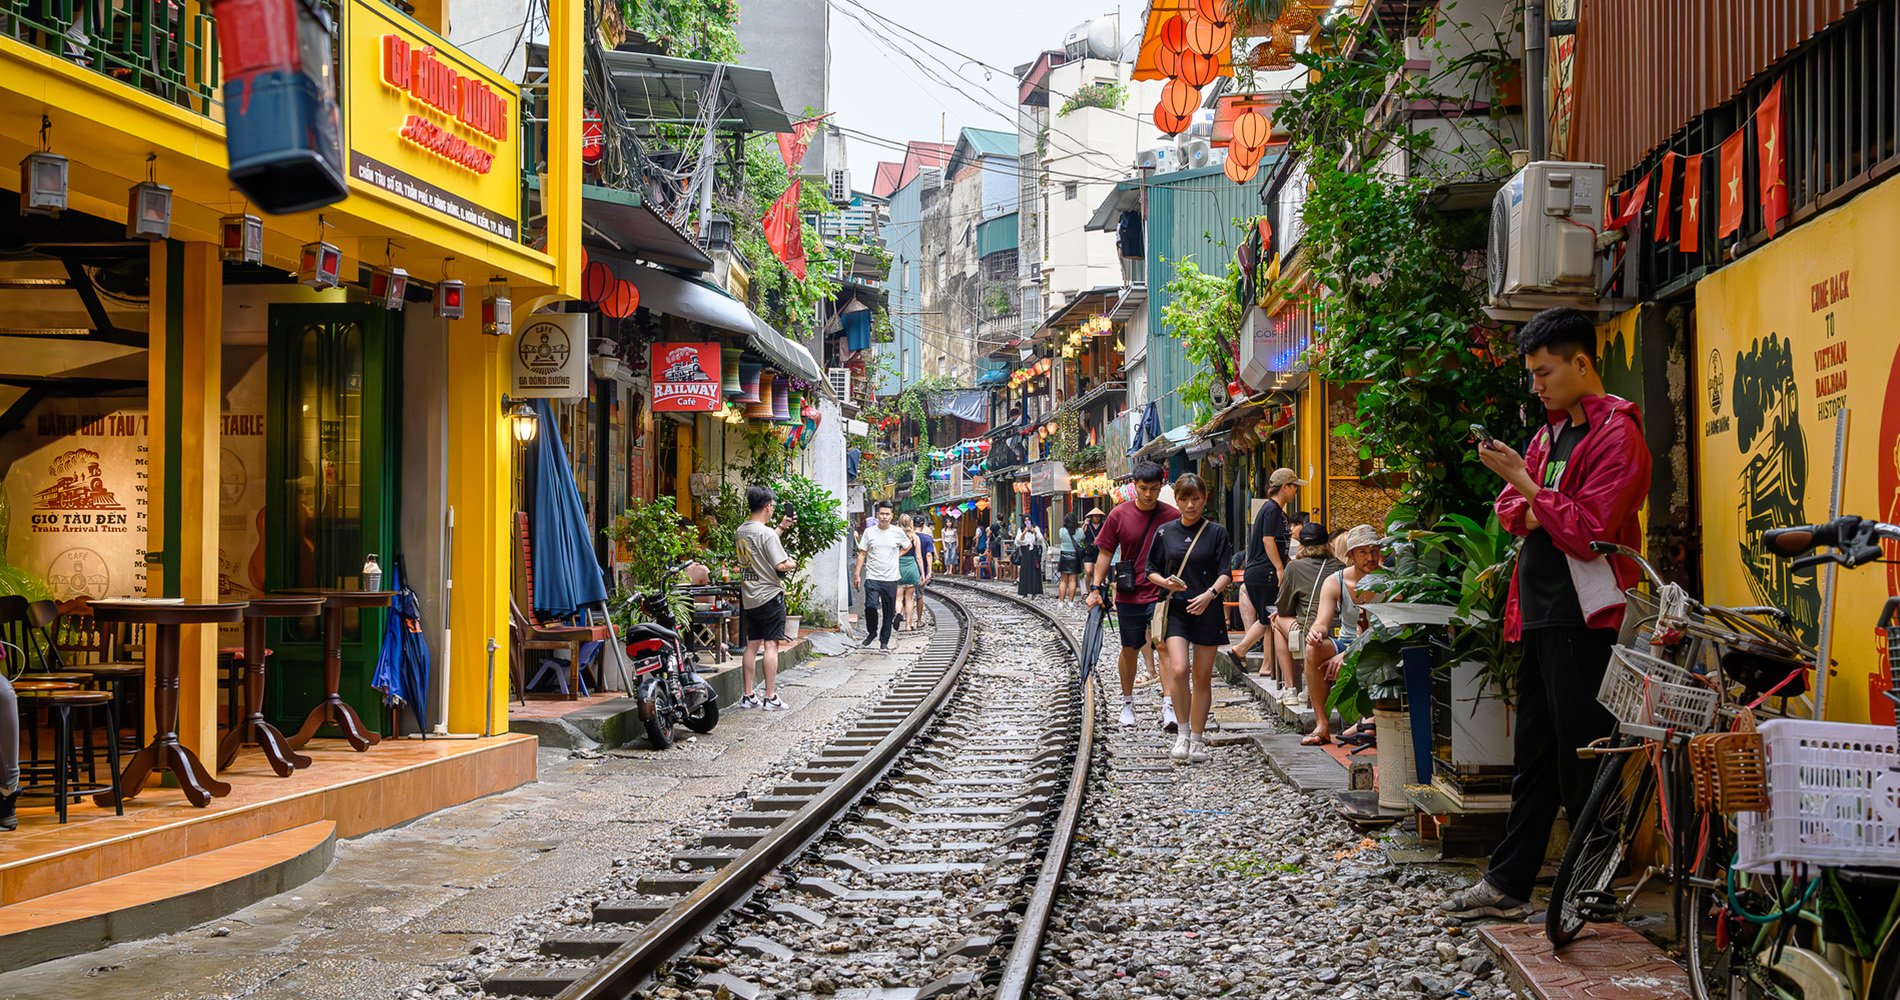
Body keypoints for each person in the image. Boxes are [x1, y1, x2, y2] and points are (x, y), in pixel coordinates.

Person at [1443, 306, 1651, 922]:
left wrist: (1533, 491)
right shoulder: (1551, 432)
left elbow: (1587, 531)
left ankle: (1593, 891)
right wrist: (1535, 498)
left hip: (1584, 617)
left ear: (1581, 362)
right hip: (1537, 612)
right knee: (1533, 754)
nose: (1536, 384)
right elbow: (1512, 511)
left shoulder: (1618, 434)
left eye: (1544, 371)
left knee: (1579, 755)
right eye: (1531, 373)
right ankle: (1510, 883)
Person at [1087, 461, 1182, 730]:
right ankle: (1127, 704)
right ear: (1134, 486)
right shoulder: (1118, 515)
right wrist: (1096, 588)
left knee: (1162, 645)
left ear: (1161, 486)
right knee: (1129, 649)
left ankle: (1169, 706)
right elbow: (1105, 553)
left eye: (1154, 488)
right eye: (1143, 488)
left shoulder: (1172, 516)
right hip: (1129, 593)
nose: (1149, 494)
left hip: (1161, 593)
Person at [1146, 474, 1232, 763]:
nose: (1191, 504)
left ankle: (1197, 740)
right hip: (1178, 609)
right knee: (1180, 669)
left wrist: (1210, 594)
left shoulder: (1216, 532)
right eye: (1184, 499)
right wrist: (1166, 583)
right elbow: (1151, 569)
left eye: (1196, 498)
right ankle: (1182, 734)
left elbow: (1225, 572)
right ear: (1178, 500)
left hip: (1207, 609)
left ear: (1205, 498)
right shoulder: (1164, 531)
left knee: (1202, 676)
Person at [1301, 524, 1385, 745]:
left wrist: (1347, 656)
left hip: (1381, 645)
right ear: (1350, 556)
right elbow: (1321, 623)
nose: (1370, 557)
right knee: (1313, 648)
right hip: (1347, 642)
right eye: (1363, 552)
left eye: (1374, 550)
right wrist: (1315, 634)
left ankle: (1370, 720)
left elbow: (1392, 629)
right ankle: (1322, 725)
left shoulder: (1390, 582)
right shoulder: (1335, 581)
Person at [1226, 469, 1305, 684]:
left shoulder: (1272, 509)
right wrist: (1280, 568)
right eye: (1294, 486)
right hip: (1265, 573)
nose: (1296, 491)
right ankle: (1240, 650)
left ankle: (1266, 665)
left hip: (1260, 572)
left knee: (1269, 617)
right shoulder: (1272, 509)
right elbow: (1268, 540)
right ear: (1285, 487)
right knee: (1271, 616)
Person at [733, 485, 797, 710]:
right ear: (768, 507)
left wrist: (780, 527)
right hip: (770, 596)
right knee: (771, 645)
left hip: (749, 596)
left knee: (751, 645)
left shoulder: (742, 530)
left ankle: (748, 695)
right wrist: (792, 562)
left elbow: (759, 548)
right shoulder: (767, 534)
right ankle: (770, 697)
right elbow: (780, 563)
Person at [1274, 520, 1343, 698]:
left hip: (1311, 633)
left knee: (1277, 621)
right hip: (1340, 631)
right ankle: (1309, 686)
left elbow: (1283, 609)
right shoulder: (1340, 567)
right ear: (1328, 543)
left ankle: (1290, 687)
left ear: (1302, 545)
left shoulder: (1294, 567)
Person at [853, 501, 911, 652]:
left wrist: (897, 556)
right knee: (870, 606)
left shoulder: (897, 532)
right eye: (882, 514)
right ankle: (872, 632)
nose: (884, 517)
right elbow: (862, 553)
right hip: (872, 576)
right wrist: (857, 574)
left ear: (892, 516)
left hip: (890, 578)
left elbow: (908, 545)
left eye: (887, 514)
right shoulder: (869, 532)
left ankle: (884, 641)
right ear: (877, 515)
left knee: (888, 610)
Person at [895, 514, 923, 632]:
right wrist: (922, 572)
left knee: (898, 597)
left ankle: (898, 613)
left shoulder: (895, 536)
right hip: (911, 566)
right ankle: (908, 625)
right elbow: (919, 556)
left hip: (898, 566)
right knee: (909, 598)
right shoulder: (915, 538)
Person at [1015, 518, 1046, 597]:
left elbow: (1041, 539)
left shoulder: (1036, 528)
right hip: (1025, 551)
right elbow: (1018, 541)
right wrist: (1024, 532)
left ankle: (1034, 591)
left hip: (1034, 552)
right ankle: (1024, 591)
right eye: (1025, 520)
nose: (1027, 522)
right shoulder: (1021, 529)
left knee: (1034, 571)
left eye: (1028, 520)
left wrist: (1034, 532)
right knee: (1025, 571)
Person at [1056, 513, 1082, 604]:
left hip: (1064, 555)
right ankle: (1071, 602)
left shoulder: (1062, 531)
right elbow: (1082, 538)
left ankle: (1061, 602)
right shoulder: (1079, 531)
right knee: (1072, 580)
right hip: (1074, 556)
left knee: (1063, 580)